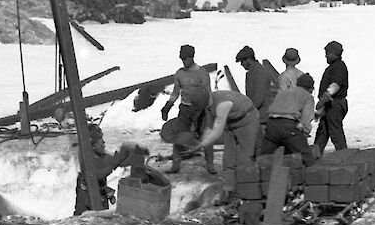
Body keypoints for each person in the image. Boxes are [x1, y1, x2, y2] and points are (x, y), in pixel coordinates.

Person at [139, 44, 215, 174]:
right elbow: (176, 92)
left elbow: (208, 93)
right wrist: (168, 106)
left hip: (199, 110)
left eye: (186, 59)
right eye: (182, 59)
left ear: (192, 57)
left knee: (205, 135)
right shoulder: (180, 74)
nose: (184, 62)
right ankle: (175, 165)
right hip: (185, 109)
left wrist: (208, 110)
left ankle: (210, 164)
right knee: (180, 136)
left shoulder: (202, 74)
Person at [181, 87, 260, 206]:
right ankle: (229, 192)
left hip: (247, 121)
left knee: (244, 159)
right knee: (228, 159)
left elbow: (217, 132)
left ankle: (245, 194)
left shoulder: (222, 105)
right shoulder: (209, 103)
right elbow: (209, 127)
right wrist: (199, 143)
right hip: (231, 123)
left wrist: (199, 147)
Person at [74, 124, 130, 215]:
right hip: (88, 198)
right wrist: (115, 162)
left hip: (100, 194)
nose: (104, 144)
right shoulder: (86, 157)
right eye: (101, 144)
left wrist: (123, 157)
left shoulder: (99, 153)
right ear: (92, 146)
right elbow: (98, 174)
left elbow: (112, 159)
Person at [262, 73, 317, 167]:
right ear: (311, 88)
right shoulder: (308, 96)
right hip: (289, 126)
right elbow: (306, 118)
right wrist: (304, 134)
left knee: (265, 156)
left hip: (271, 125)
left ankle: (255, 173)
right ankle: (314, 178)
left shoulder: (283, 93)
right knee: (307, 156)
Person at [314, 40, 349, 155]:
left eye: (328, 53)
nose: (326, 55)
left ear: (335, 54)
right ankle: (315, 155)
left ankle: (344, 156)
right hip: (330, 105)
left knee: (335, 132)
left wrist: (323, 99)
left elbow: (336, 85)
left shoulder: (339, 67)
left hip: (335, 104)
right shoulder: (335, 66)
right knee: (323, 132)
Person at [236, 46, 274, 146]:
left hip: (261, 117)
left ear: (248, 59)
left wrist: (245, 111)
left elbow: (259, 98)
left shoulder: (261, 72)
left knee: (261, 147)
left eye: (242, 62)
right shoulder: (251, 72)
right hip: (255, 115)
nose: (241, 65)